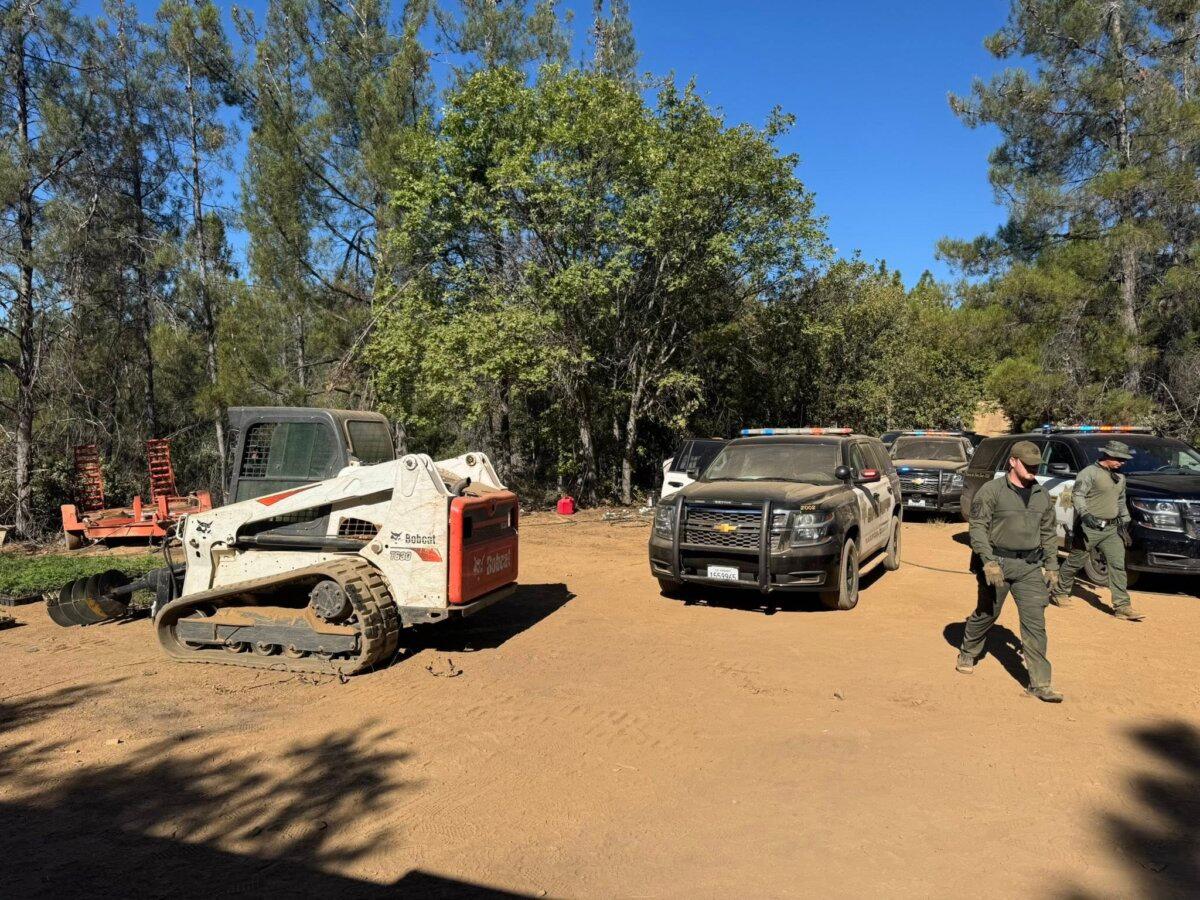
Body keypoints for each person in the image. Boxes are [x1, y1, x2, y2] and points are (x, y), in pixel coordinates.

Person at [956, 440, 1063, 702]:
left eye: (1036, 466)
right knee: (987, 613)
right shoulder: (991, 491)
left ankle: (1040, 683)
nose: (1033, 470)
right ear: (1013, 462)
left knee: (1035, 623)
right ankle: (968, 649)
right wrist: (988, 561)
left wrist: (1051, 565)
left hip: (1029, 566)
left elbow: (1049, 532)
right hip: (997, 563)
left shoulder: (1042, 495)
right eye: (1028, 465)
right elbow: (977, 527)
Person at [1052, 440, 1145, 621]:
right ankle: (1060, 591)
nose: (1122, 462)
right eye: (1119, 459)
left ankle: (1122, 606)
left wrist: (1125, 519)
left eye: (1124, 459)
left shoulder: (1120, 477)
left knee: (1118, 565)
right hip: (1089, 528)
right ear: (1107, 455)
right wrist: (1085, 514)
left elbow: (1120, 500)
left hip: (1111, 529)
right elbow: (1078, 495)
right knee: (1076, 561)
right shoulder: (1089, 473)